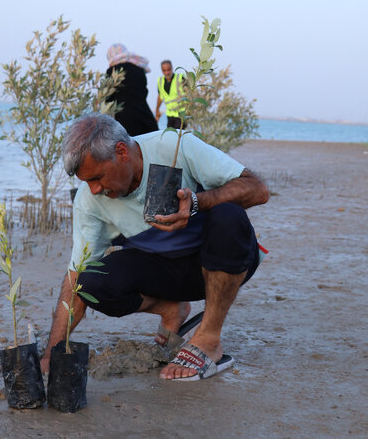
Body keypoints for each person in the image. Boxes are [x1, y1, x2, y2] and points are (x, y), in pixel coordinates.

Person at [40, 113, 269, 380]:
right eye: (86, 182)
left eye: (98, 178)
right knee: (90, 280)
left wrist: (198, 202)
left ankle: (208, 338)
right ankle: (171, 308)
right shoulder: (89, 202)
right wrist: (51, 354)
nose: (93, 190)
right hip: (166, 273)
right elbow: (75, 277)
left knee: (229, 216)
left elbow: (258, 189)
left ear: (122, 152)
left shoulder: (175, 146)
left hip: (223, 262)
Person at [105, 44, 159, 136]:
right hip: (144, 117)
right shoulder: (139, 69)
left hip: (123, 120)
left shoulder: (112, 72)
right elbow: (144, 92)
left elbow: (108, 98)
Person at [155, 60, 186, 129]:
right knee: (170, 136)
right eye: (164, 70)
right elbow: (160, 97)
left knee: (177, 137)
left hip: (181, 114)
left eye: (168, 70)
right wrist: (157, 110)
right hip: (169, 115)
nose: (167, 73)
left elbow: (190, 94)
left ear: (172, 68)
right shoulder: (160, 81)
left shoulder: (181, 78)